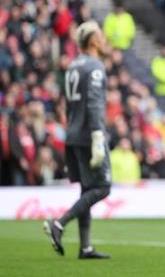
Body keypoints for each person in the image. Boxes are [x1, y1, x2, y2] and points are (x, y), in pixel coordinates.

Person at [44, 21, 112, 259]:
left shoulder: (73, 66)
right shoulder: (95, 67)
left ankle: (85, 247)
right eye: (101, 37)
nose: (104, 41)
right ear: (92, 41)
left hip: (72, 133)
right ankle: (59, 224)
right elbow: (93, 102)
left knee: (87, 189)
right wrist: (97, 136)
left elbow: (68, 102)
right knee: (103, 187)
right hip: (88, 135)